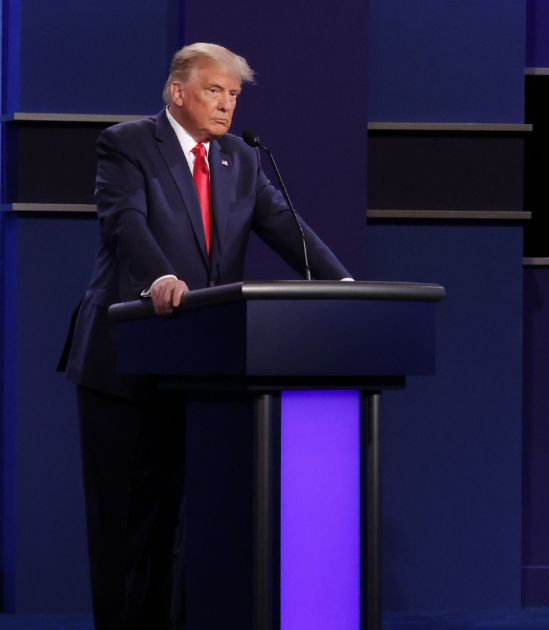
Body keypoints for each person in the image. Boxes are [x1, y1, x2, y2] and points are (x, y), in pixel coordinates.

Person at [61, 42, 351, 629]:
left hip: (201, 370)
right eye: (215, 91)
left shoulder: (239, 161)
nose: (226, 106)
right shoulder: (128, 144)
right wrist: (159, 277)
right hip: (126, 362)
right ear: (178, 93)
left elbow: (287, 230)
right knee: (127, 528)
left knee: (182, 526)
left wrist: (344, 284)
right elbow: (125, 224)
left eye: (234, 95)